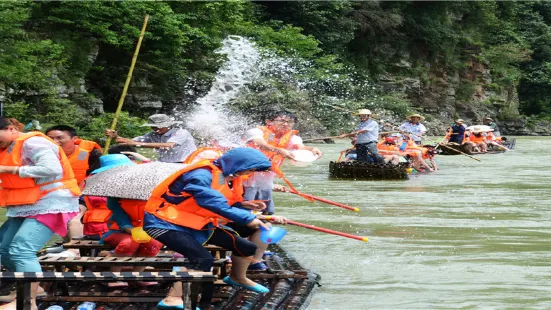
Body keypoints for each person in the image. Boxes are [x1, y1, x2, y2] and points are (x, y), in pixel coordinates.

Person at [143, 148, 274, 309]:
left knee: (246, 247)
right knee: (202, 259)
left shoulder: (222, 175)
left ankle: (237, 277)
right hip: (163, 223)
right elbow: (209, 201)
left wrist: (242, 205)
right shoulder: (201, 174)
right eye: (250, 168)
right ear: (238, 164)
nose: (250, 172)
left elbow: (221, 200)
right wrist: (246, 218)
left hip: (195, 223)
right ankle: (172, 299)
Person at [0, 117, 81, 310]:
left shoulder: (33, 142)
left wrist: (8, 169)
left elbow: (51, 169)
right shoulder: (6, 147)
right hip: (25, 203)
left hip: (51, 201)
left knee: (21, 249)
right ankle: (33, 288)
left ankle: (27, 301)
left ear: (11, 129)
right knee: (3, 249)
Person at [90, 154, 163, 288]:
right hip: (118, 231)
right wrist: (132, 230)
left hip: (145, 230)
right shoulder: (113, 195)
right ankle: (114, 277)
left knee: (155, 243)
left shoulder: (150, 188)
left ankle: (135, 276)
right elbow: (120, 217)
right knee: (130, 242)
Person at [243, 110, 322, 215]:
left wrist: (312, 149)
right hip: (244, 177)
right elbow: (261, 144)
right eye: (282, 121)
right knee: (247, 210)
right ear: (269, 121)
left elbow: (301, 148)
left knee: (267, 212)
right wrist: (279, 150)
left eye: (289, 122)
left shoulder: (293, 138)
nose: (285, 124)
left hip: (266, 180)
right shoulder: (256, 132)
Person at [45, 125, 102, 251]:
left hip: (84, 194)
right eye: (50, 138)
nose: (55, 142)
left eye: (60, 138)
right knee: (58, 220)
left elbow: (97, 177)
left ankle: (75, 250)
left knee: (73, 219)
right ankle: (69, 246)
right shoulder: (43, 155)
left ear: (74, 139)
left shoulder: (90, 153)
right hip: (56, 195)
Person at [105, 113, 197, 163]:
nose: (155, 129)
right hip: (164, 164)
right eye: (153, 126)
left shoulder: (181, 133)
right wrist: (116, 137)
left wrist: (136, 144)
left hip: (185, 163)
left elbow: (168, 145)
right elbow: (130, 141)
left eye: (158, 126)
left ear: (167, 125)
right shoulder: (152, 135)